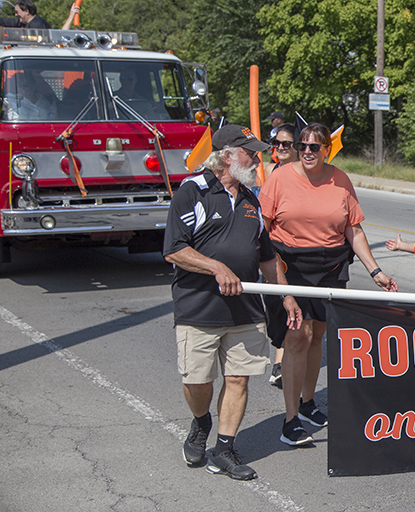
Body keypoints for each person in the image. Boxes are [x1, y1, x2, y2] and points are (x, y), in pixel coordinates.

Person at [163, 124, 302, 480]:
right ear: (226, 156)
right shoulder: (192, 191)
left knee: (238, 379)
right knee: (197, 382)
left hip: (245, 309)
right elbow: (175, 250)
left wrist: (287, 296)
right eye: (249, 153)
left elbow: (267, 258)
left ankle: (224, 449)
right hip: (198, 306)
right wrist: (216, 267)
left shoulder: (251, 199)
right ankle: (200, 421)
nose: (257, 159)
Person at [258, 122, 397, 446]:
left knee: (317, 334)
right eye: (302, 145)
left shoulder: (340, 180)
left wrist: (375, 271)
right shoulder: (280, 178)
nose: (307, 151)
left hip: (331, 266)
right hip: (290, 266)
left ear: (326, 150)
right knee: (297, 337)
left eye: (314, 147)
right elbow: (262, 230)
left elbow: (354, 230)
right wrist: (263, 269)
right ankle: (290, 420)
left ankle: (308, 403)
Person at [262, 122, 299, 389]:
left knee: (292, 306)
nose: (281, 148)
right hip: (274, 252)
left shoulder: (308, 175)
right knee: (276, 310)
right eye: (277, 144)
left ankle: (281, 364)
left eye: (287, 144)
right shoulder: (271, 172)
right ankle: (280, 354)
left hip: (298, 253)